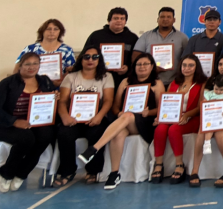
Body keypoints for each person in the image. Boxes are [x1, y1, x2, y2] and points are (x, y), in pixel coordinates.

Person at [77, 52, 165, 190]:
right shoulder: (125, 82)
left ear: (152, 66)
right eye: (138, 64)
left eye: (145, 64)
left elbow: (161, 109)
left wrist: (149, 112)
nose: (142, 67)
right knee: (119, 132)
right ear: (134, 67)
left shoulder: (157, 83)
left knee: (128, 116)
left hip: (146, 123)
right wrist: (119, 113)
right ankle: (114, 174)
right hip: (125, 120)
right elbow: (115, 107)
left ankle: (94, 148)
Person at [0, 53, 57, 192]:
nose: (31, 67)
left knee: (46, 136)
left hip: (34, 124)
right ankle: (6, 172)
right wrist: (14, 122)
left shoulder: (45, 81)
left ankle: (22, 173)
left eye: (35, 63)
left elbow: (48, 102)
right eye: (27, 64)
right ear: (20, 66)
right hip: (5, 125)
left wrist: (54, 97)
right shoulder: (7, 83)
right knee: (27, 138)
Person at [55, 48, 115, 186]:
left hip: (96, 118)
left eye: (95, 57)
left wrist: (99, 116)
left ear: (99, 60)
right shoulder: (71, 77)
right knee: (64, 133)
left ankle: (92, 171)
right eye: (87, 57)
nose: (90, 60)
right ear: (81, 59)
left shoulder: (106, 77)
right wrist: (65, 117)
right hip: (73, 119)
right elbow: (62, 101)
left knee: (97, 133)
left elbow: (108, 101)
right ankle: (67, 171)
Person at [151, 56, 205, 185]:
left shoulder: (202, 83)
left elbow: (200, 106)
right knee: (160, 129)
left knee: (174, 129)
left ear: (196, 67)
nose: (187, 68)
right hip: (172, 116)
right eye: (184, 65)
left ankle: (179, 165)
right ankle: (158, 165)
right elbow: (166, 103)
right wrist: (160, 117)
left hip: (192, 118)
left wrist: (187, 115)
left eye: (191, 65)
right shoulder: (174, 83)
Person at [189, 55, 223, 189]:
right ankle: (195, 171)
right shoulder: (210, 81)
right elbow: (203, 103)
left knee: (220, 130)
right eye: (220, 64)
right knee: (203, 128)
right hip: (212, 116)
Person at [83, 8, 137, 90]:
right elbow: (84, 55)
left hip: (122, 79)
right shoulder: (96, 36)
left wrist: (128, 68)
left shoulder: (133, 38)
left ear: (125, 21)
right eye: (116, 18)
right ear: (109, 21)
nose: (119, 21)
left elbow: (137, 59)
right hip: (98, 77)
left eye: (122, 18)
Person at [134, 7, 189, 86]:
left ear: (174, 20)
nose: (165, 19)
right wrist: (151, 68)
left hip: (174, 82)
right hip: (150, 81)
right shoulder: (146, 36)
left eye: (168, 17)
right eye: (162, 17)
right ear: (158, 19)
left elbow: (187, 58)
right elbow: (136, 55)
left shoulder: (182, 37)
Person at [15, 19, 76, 87]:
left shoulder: (67, 50)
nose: (52, 32)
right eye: (48, 29)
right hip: (32, 86)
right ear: (42, 31)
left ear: (60, 32)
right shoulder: (30, 48)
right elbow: (17, 67)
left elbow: (72, 71)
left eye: (55, 29)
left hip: (60, 86)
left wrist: (61, 82)